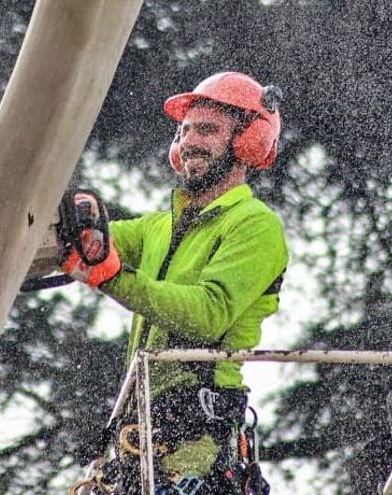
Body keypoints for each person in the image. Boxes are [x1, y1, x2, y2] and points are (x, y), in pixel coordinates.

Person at [61, 72, 289, 494]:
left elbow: (207, 314)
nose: (190, 141)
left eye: (207, 130)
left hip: (198, 454)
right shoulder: (158, 227)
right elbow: (91, 242)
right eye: (184, 131)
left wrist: (112, 276)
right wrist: (58, 222)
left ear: (248, 141)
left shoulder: (255, 225)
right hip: (140, 449)